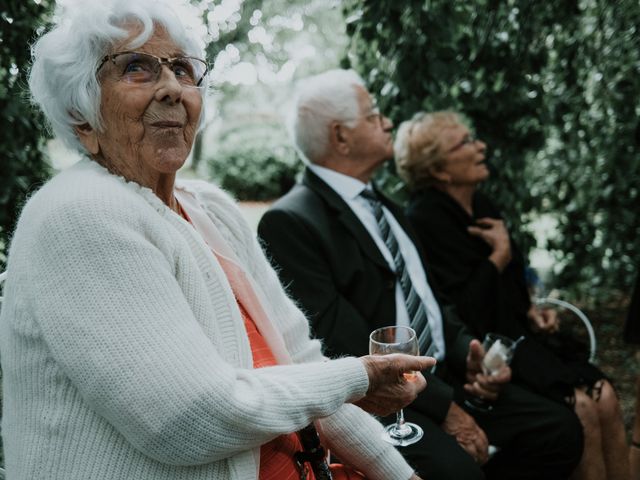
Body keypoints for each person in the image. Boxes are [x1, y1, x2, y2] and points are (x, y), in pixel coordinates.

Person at [0, 3, 437, 479]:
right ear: (80, 115)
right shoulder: (78, 215)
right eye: (136, 67)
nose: (171, 87)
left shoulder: (210, 209)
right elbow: (186, 418)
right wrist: (357, 379)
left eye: (183, 69)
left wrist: (399, 473)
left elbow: (302, 364)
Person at [257, 69, 584, 480]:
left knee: (559, 431)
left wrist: (470, 352)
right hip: (387, 402)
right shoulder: (291, 221)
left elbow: (427, 298)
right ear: (341, 136)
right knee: (460, 474)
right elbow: (342, 340)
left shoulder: (386, 205)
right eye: (374, 115)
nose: (388, 121)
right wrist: (448, 408)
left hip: (444, 376)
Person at [394, 110, 630, 480]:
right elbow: (460, 310)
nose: (481, 146)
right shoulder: (426, 219)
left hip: (521, 334)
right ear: (439, 169)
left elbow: (511, 284)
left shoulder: (481, 204)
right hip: (482, 355)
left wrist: (532, 308)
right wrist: (497, 257)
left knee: (606, 397)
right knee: (583, 408)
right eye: (466, 142)